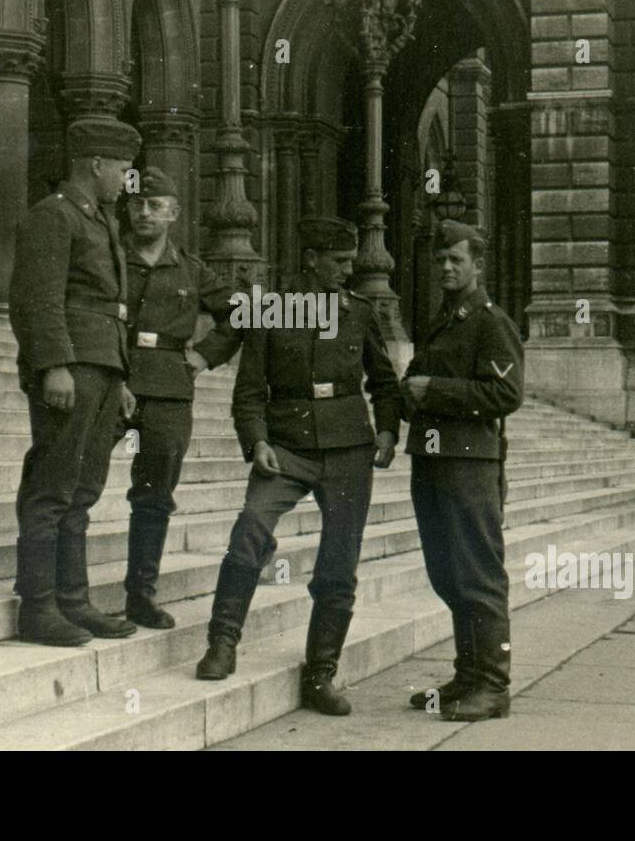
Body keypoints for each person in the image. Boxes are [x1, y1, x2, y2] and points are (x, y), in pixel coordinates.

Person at [194, 216, 400, 716]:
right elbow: (248, 394)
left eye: (352, 262)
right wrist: (257, 441)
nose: (347, 272)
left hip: (350, 449)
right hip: (286, 446)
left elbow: (385, 382)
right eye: (338, 262)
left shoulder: (359, 312)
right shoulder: (271, 312)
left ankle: (321, 674)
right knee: (250, 529)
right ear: (311, 260)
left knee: (339, 563)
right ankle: (222, 643)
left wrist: (390, 431)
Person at [7, 117, 142, 646]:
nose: (127, 179)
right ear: (97, 164)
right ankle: (38, 607)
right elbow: (37, 298)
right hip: (72, 367)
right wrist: (53, 365)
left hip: (102, 367)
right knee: (53, 487)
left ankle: (73, 601)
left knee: (82, 490)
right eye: (124, 168)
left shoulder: (100, 219)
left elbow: (110, 308)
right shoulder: (54, 217)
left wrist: (121, 373)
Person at [111, 167, 243, 629]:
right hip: (112, 379)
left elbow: (239, 312)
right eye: (136, 204)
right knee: (76, 480)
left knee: (154, 496)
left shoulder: (191, 269)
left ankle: (140, 597)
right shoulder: (109, 257)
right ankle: (55, 587)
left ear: (173, 213)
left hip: (169, 387)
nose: (143, 212)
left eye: (154, 205)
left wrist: (204, 357)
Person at [403, 220, 524, 722]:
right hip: (433, 461)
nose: (447, 268)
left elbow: (506, 394)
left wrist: (434, 390)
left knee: (478, 575)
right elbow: (423, 378)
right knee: (447, 573)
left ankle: (493, 685)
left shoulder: (490, 322)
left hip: (470, 465)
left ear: (478, 265)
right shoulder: (444, 319)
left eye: (456, 260)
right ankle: (468, 674)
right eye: (441, 261)